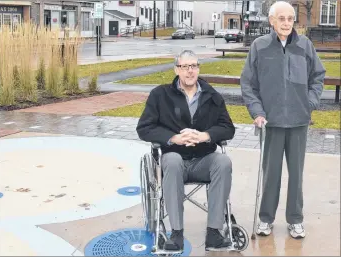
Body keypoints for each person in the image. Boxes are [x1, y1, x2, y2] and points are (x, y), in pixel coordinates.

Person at [240, 1, 326, 239]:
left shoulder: (305, 45)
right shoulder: (260, 46)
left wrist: (309, 104)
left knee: (296, 175)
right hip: (271, 122)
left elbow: (318, 76)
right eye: (282, 19)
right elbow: (248, 83)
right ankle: (266, 219)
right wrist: (257, 112)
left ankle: (295, 220)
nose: (287, 23)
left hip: (298, 122)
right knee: (271, 175)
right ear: (272, 21)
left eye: (290, 18)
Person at [137, 50, 235, 251]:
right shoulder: (160, 95)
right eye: (185, 67)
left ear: (198, 68)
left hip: (203, 160)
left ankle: (214, 232)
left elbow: (228, 128)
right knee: (172, 161)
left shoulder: (212, 96)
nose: (190, 71)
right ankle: (177, 233)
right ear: (176, 69)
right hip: (174, 161)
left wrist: (204, 135)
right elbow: (144, 128)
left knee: (223, 162)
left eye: (194, 66)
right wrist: (174, 138)